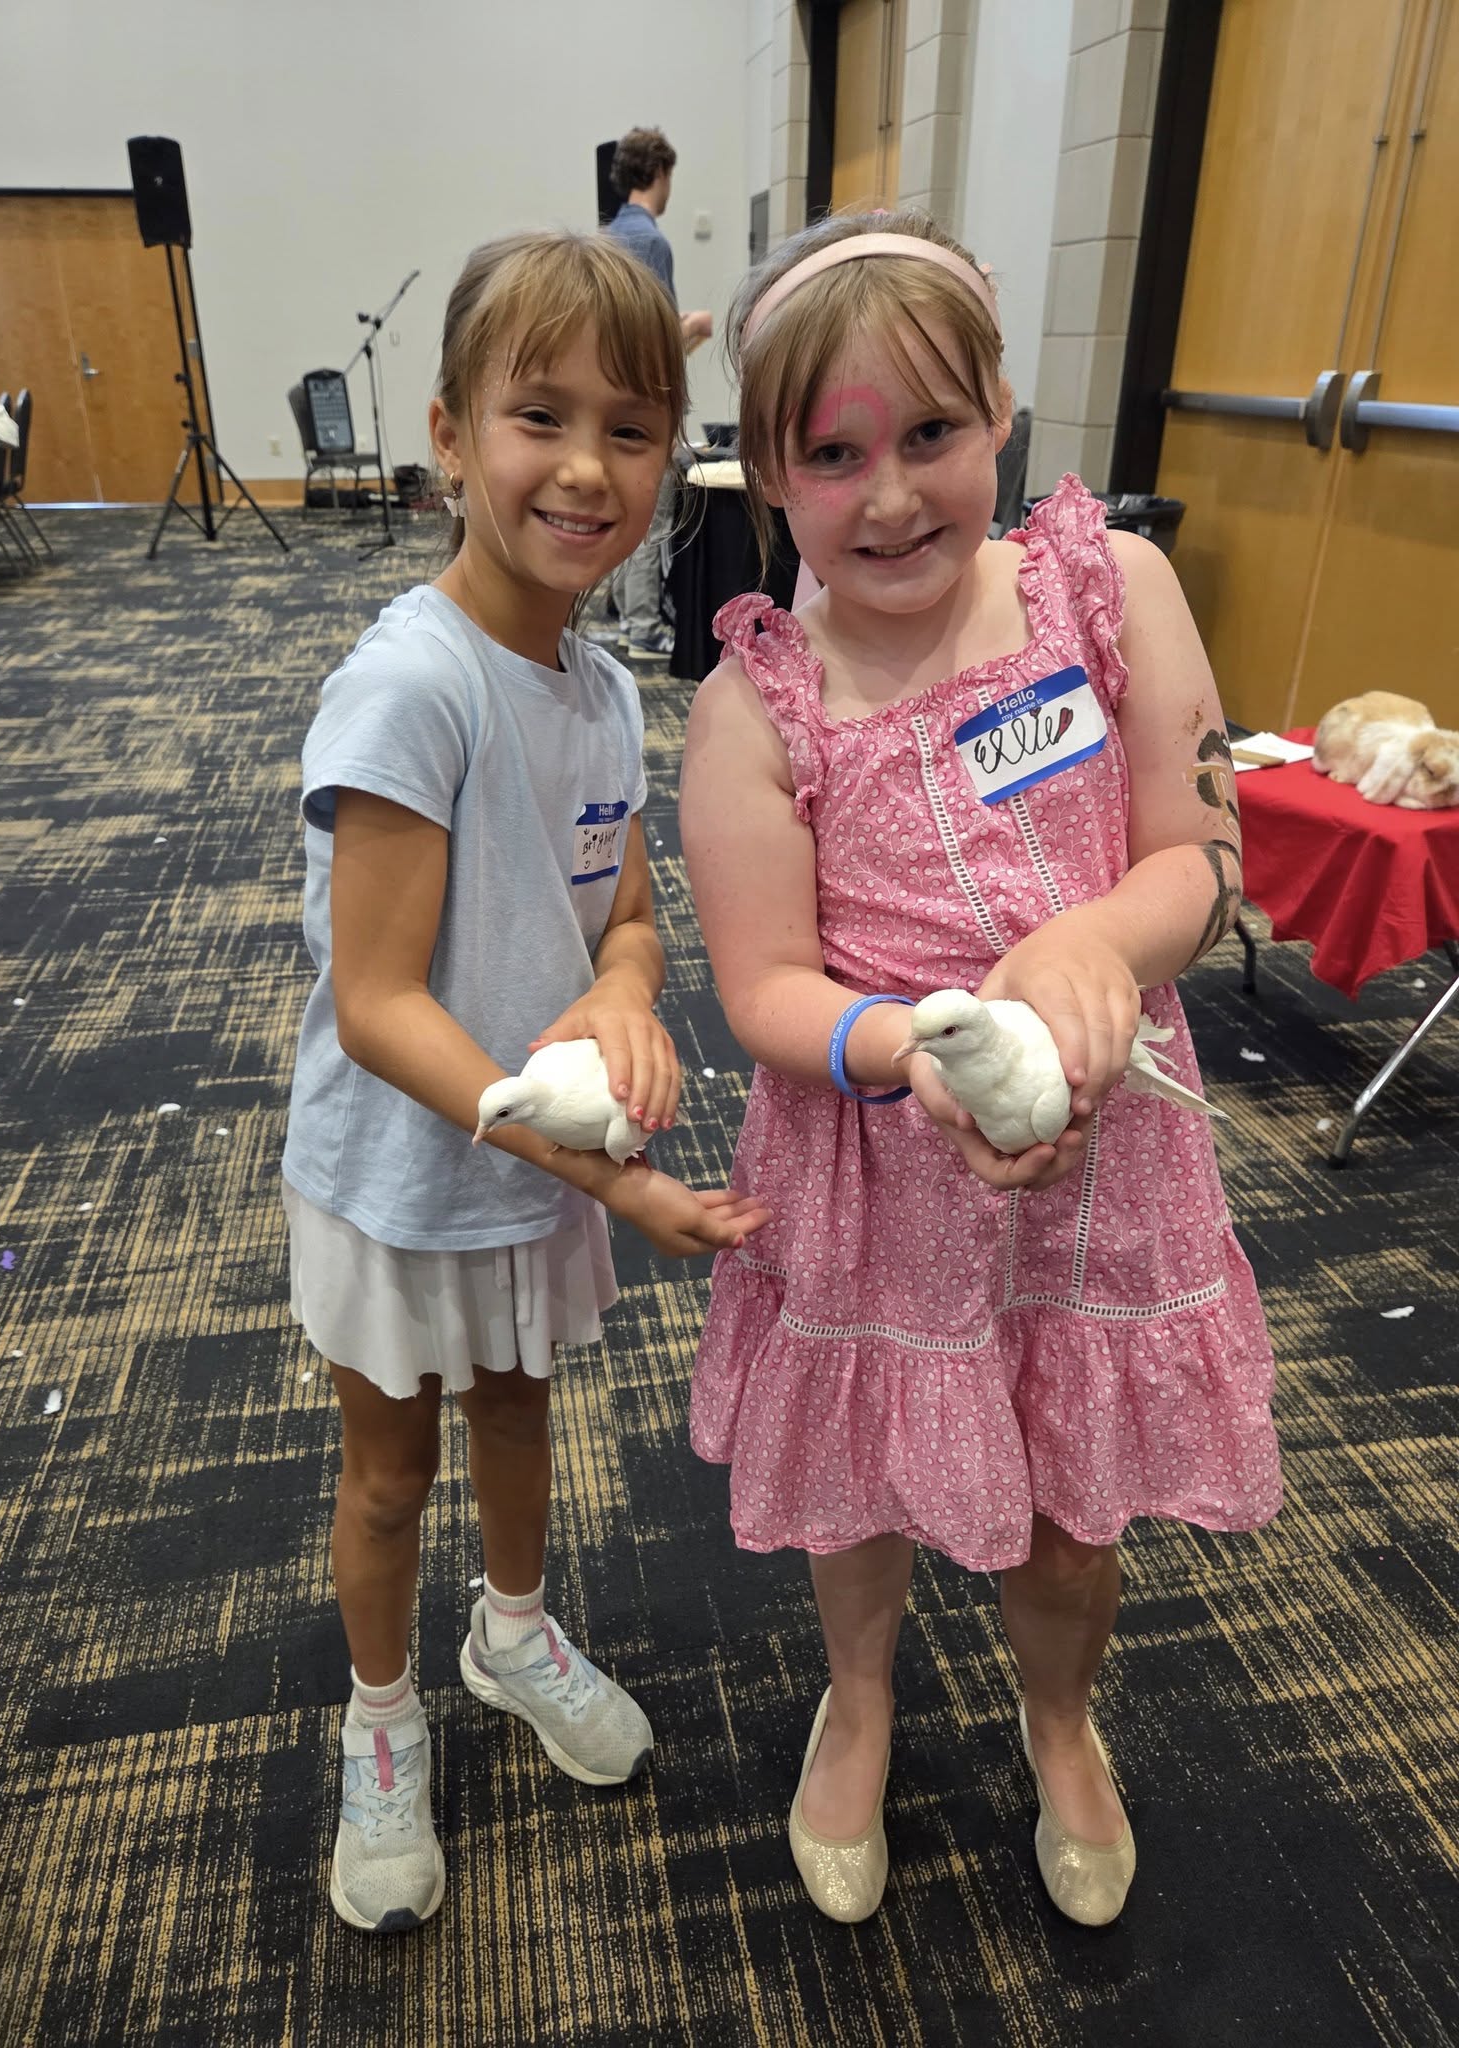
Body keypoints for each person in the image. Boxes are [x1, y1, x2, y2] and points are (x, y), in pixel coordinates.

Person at [679, 210, 1280, 1929]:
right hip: (879, 1166)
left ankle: (1059, 1714)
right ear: (769, 472)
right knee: (865, 1468)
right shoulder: (757, 706)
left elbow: (1203, 851)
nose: (889, 497)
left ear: (1001, 412)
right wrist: (907, 1051)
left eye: (931, 433)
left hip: (1107, 1158)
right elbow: (762, 984)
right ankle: (859, 1698)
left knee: (1080, 1500)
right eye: (832, 455)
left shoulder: (1110, 589)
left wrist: (1096, 945)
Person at [281, 229, 769, 1935]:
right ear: (447, 435)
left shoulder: (604, 687)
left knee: (517, 1408)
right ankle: (382, 1719)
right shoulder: (413, 686)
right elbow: (376, 1006)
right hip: (402, 1176)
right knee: (387, 1472)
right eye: (538, 417)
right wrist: (611, 1174)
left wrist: (625, 992)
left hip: (533, 1165)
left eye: (631, 429)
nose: (585, 467)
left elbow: (623, 909)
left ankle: (510, 1632)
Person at [600, 125, 713, 659]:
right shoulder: (650, 242)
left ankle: (629, 618)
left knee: (622, 511)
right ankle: (644, 626)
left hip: (608, 403)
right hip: (645, 404)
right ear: (660, 173)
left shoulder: (607, 239)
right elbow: (658, 344)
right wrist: (695, 327)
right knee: (650, 518)